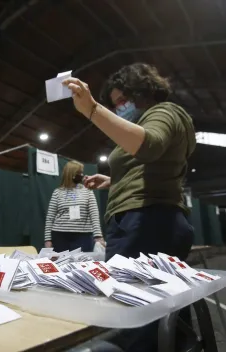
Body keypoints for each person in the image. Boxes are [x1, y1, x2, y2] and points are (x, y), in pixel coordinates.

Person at [63, 63, 196, 352]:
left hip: (147, 222)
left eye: (122, 100)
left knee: (139, 315)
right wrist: (113, 180)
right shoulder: (149, 120)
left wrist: (93, 109)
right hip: (149, 219)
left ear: (142, 91)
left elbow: (150, 146)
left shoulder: (164, 112)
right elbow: (153, 167)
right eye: (115, 104)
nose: (119, 107)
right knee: (161, 312)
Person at [44, 160, 104, 252]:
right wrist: (47, 239)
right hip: (60, 236)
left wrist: (98, 236)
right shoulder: (57, 192)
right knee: (61, 264)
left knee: (82, 264)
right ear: (71, 174)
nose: (82, 175)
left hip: (83, 236)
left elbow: (94, 214)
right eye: (79, 173)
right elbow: (50, 217)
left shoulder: (88, 191)